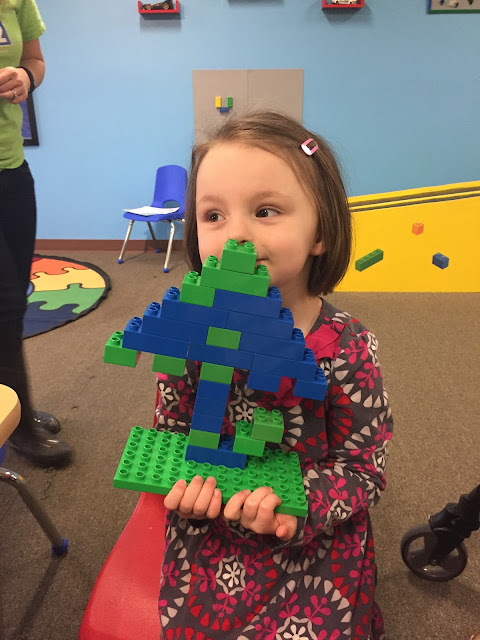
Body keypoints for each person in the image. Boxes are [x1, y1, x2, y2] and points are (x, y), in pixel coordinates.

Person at [155, 110, 393, 639]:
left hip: (311, 538)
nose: (236, 234)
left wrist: (297, 506)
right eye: (213, 215)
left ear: (320, 232)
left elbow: (362, 470)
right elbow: (170, 431)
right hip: (212, 532)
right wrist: (184, 484)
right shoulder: (192, 334)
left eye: (265, 211)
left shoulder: (348, 350)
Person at [0, 0, 73, 467]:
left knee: (15, 300)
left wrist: (26, 77)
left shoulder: (16, 1)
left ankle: (14, 406)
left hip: (11, 169)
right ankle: (20, 428)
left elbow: (35, 60)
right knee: (4, 301)